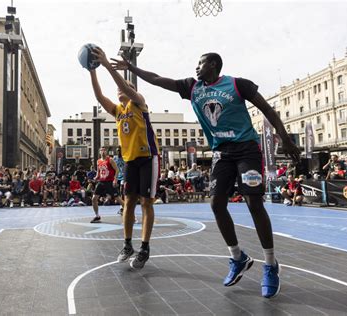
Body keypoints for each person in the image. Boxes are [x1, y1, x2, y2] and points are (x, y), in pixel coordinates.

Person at [112, 51, 301, 296]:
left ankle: (270, 264)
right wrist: (131, 67)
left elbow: (267, 109)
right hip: (221, 152)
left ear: (213, 65)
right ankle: (237, 257)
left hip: (246, 149)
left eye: (200, 63)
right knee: (216, 204)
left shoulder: (237, 84)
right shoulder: (193, 88)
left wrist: (284, 138)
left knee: (254, 201)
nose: (196, 67)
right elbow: (157, 79)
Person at [89, 47, 160, 269]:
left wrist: (108, 66)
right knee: (128, 202)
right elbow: (100, 97)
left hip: (149, 157)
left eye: (124, 87)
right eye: (118, 89)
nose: (119, 90)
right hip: (130, 160)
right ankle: (128, 244)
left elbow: (124, 87)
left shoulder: (139, 102)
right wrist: (92, 70)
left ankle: (145, 247)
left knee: (146, 202)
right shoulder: (118, 110)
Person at [90, 147, 124, 222]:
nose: (103, 152)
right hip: (101, 182)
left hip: (109, 182)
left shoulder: (110, 160)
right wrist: (96, 177)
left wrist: (115, 179)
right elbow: (98, 172)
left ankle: (132, 215)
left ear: (106, 152)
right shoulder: (98, 161)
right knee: (94, 198)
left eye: (104, 150)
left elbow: (117, 170)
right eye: (101, 150)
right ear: (99, 152)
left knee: (118, 199)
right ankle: (97, 216)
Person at [113, 147, 126, 215]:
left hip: (123, 177)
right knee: (116, 192)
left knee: (122, 190)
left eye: (120, 151)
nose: (119, 152)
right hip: (117, 177)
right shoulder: (115, 158)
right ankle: (121, 205)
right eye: (118, 151)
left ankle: (122, 207)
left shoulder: (125, 157)